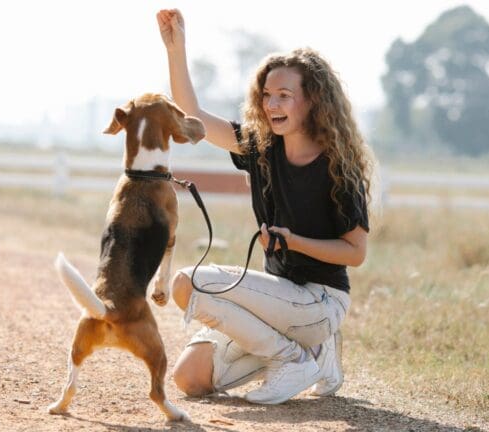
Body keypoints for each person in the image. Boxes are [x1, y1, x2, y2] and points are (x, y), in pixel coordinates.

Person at [156, 8, 378, 405]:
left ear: (312, 102)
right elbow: (194, 117)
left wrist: (294, 241)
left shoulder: (338, 166)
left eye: (284, 95)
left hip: (321, 300)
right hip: (278, 301)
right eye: (267, 95)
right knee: (190, 379)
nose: (272, 103)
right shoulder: (260, 147)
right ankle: (313, 354)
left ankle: (292, 357)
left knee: (186, 283)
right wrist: (176, 49)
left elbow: (356, 253)